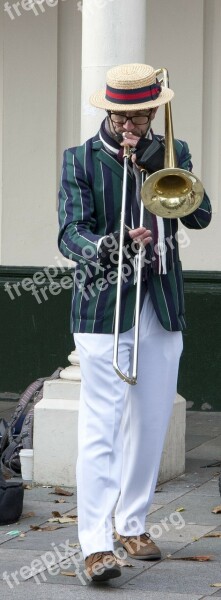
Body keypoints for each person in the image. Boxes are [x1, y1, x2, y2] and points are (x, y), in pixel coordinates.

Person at [58, 63, 211, 582]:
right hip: (104, 305)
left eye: (142, 114)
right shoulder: (80, 159)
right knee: (101, 424)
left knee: (150, 422)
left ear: (152, 110)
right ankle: (96, 545)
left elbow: (200, 216)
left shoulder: (173, 150)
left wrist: (157, 163)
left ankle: (132, 522)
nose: (133, 124)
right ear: (110, 112)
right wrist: (109, 244)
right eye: (124, 116)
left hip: (161, 302)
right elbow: (69, 234)